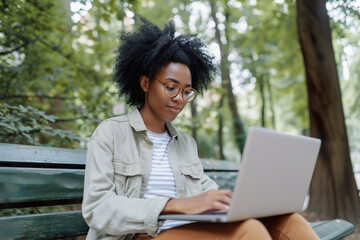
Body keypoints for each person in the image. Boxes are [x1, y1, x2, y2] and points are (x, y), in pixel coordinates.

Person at [82, 16, 320, 240]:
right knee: (248, 232)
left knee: (290, 221)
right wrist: (174, 205)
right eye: (171, 87)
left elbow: (208, 193)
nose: (179, 98)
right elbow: (97, 208)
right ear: (145, 83)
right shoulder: (111, 133)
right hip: (140, 235)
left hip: (190, 231)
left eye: (187, 91)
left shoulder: (185, 143)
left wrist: (243, 202)